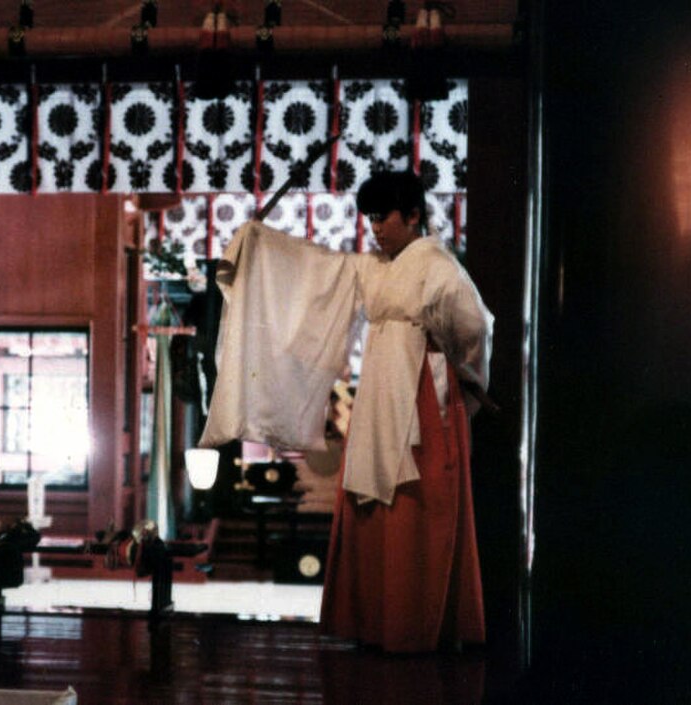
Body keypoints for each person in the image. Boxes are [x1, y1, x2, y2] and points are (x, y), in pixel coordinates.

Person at [200, 171, 493, 653]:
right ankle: (373, 622)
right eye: (371, 219)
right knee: (369, 501)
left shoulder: (438, 267)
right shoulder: (373, 267)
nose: (375, 228)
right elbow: (316, 268)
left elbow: (474, 329)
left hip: (423, 391)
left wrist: (464, 379)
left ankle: (418, 626)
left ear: (414, 215)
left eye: (384, 217)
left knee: (418, 501)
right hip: (379, 387)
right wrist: (259, 243)